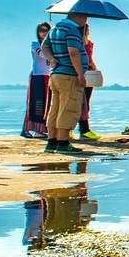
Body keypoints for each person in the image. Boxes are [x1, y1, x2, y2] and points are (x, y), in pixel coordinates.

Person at [43, 11, 89, 153]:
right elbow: (73, 52)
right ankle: (63, 142)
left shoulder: (55, 28)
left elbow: (45, 47)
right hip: (69, 74)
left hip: (56, 74)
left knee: (55, 108)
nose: (86, 21)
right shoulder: (72, 30)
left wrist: (51, 59)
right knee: (68, 107)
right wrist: (80, 73)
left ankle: (52, 142)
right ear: (79, 16)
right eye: (86, 18)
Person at [23, 23, 52, 139]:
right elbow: (44, 55)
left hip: (49, 77)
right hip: (38, 77)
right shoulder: (35, 44)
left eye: (47, 30)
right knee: (37, 103)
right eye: (42, 30)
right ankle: (34, 129)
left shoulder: (51, 46)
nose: (44, 33)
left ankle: (44, 129)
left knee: (47, 103)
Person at [76, 25, 99, 141]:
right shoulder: (79, 43)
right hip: (81, 72)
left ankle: (83, 128)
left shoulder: (89, 43)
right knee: (80, 102)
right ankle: (83, 129)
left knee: (86, 102)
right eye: (88, 29)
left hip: (89, 73)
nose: (89, 31)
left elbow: (90, 58)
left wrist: (94, 68)